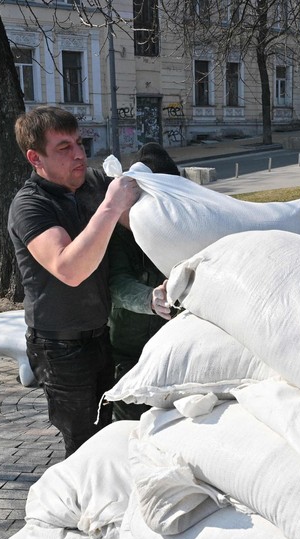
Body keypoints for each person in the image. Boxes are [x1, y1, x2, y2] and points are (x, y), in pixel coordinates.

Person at [8, 106, 140, 457]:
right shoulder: (30, 205)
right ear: (36, 158)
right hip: (59, 347)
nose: (80, 154)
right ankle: (79, 507)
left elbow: (141, 220)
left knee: (108, 432)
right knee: (84, 444)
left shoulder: (94, 183)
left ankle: (105, 500)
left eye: (79, 143)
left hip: (100, 334)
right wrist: (110, 208)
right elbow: (70, 268)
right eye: (64, 148)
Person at [107, 142, 178, 421]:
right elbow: (117, 283)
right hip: (127, 355)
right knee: (130, 430)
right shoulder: (117, 231)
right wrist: (150, 298)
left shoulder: (180, 223)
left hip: (171, 355)